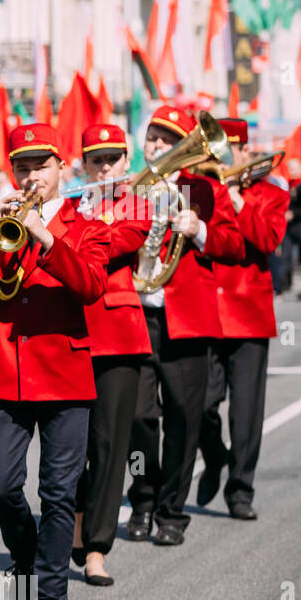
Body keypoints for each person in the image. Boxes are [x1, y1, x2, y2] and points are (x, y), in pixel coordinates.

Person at [0, 123, 109, 600]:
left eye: (41, 165)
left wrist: (45, 234)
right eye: (23, 166)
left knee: (58, 493)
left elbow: (91, 286)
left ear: (62, 168)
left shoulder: (86, 224)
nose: (32, 175)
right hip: (5, 371)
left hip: (65, 373)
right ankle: (26, 554)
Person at [125, 107, 245, 547]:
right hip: (138, 315)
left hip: (186, 320)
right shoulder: (129, 189)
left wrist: (199, 230)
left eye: (168, 139)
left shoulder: (206, 189)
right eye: (152, 137)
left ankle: (172, 511)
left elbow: (234, 246)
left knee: (182, 417)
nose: (157, 145)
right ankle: (141, 497)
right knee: (137, 419)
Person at [71, 124, 153, 586]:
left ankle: (97, 546)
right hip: (67, 334)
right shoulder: (64, 206)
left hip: (118, 336)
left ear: (126, 162)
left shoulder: (140, 206)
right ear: (83, 164)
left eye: (112, 159)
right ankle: (76, 521)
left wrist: (76, 224)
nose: (103, 167)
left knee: (109, 445)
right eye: (95, 160)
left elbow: (114, 245)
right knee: (69, 446)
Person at [196, 119, 289, 520]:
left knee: (246, 411)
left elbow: (267, 240)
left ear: (248, 152)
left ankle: (240, 490)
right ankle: (215, 457)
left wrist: (237, 200)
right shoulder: (201, 191)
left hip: (247, 313)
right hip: (205, 313)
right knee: (198, 404)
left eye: (234, 150)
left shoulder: (271, 194)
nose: (227, 158)